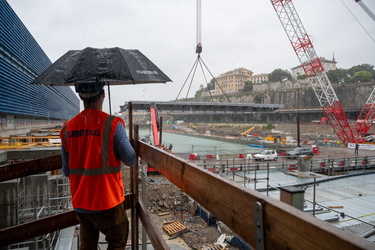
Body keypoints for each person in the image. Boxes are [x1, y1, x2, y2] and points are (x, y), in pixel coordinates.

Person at [60, 81, 136, 250]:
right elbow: (130, 159)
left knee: (87, 245)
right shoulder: (113, 124)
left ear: (80, 96)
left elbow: (66, 169)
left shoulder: (67, 128)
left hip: (81, 202)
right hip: (108, 201)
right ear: (103, 94)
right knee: (118, 240)